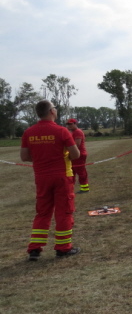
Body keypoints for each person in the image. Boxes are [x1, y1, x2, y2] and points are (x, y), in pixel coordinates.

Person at [21, 100, 81, 261]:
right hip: (62, 176)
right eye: (55, 108)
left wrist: (41, 158)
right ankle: (63, 248)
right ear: (52, 111)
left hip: (41, 177)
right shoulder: (62, 131)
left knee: (42, 213)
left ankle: (34, 249)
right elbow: (76, 154)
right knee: (64, 212)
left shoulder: (28, 132)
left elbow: (24, 157)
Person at [66, 118, 89, 193]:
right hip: (74, 154)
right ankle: (70, 188)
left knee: (81, 172)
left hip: (79, 154)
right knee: (72, 172)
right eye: (68, 124)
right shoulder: (72, 132)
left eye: (70, 124)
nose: (69, 125)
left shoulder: (78, 132)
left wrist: (68, 151)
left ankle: (85, 188)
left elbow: (77, 144)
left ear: (75, 124)